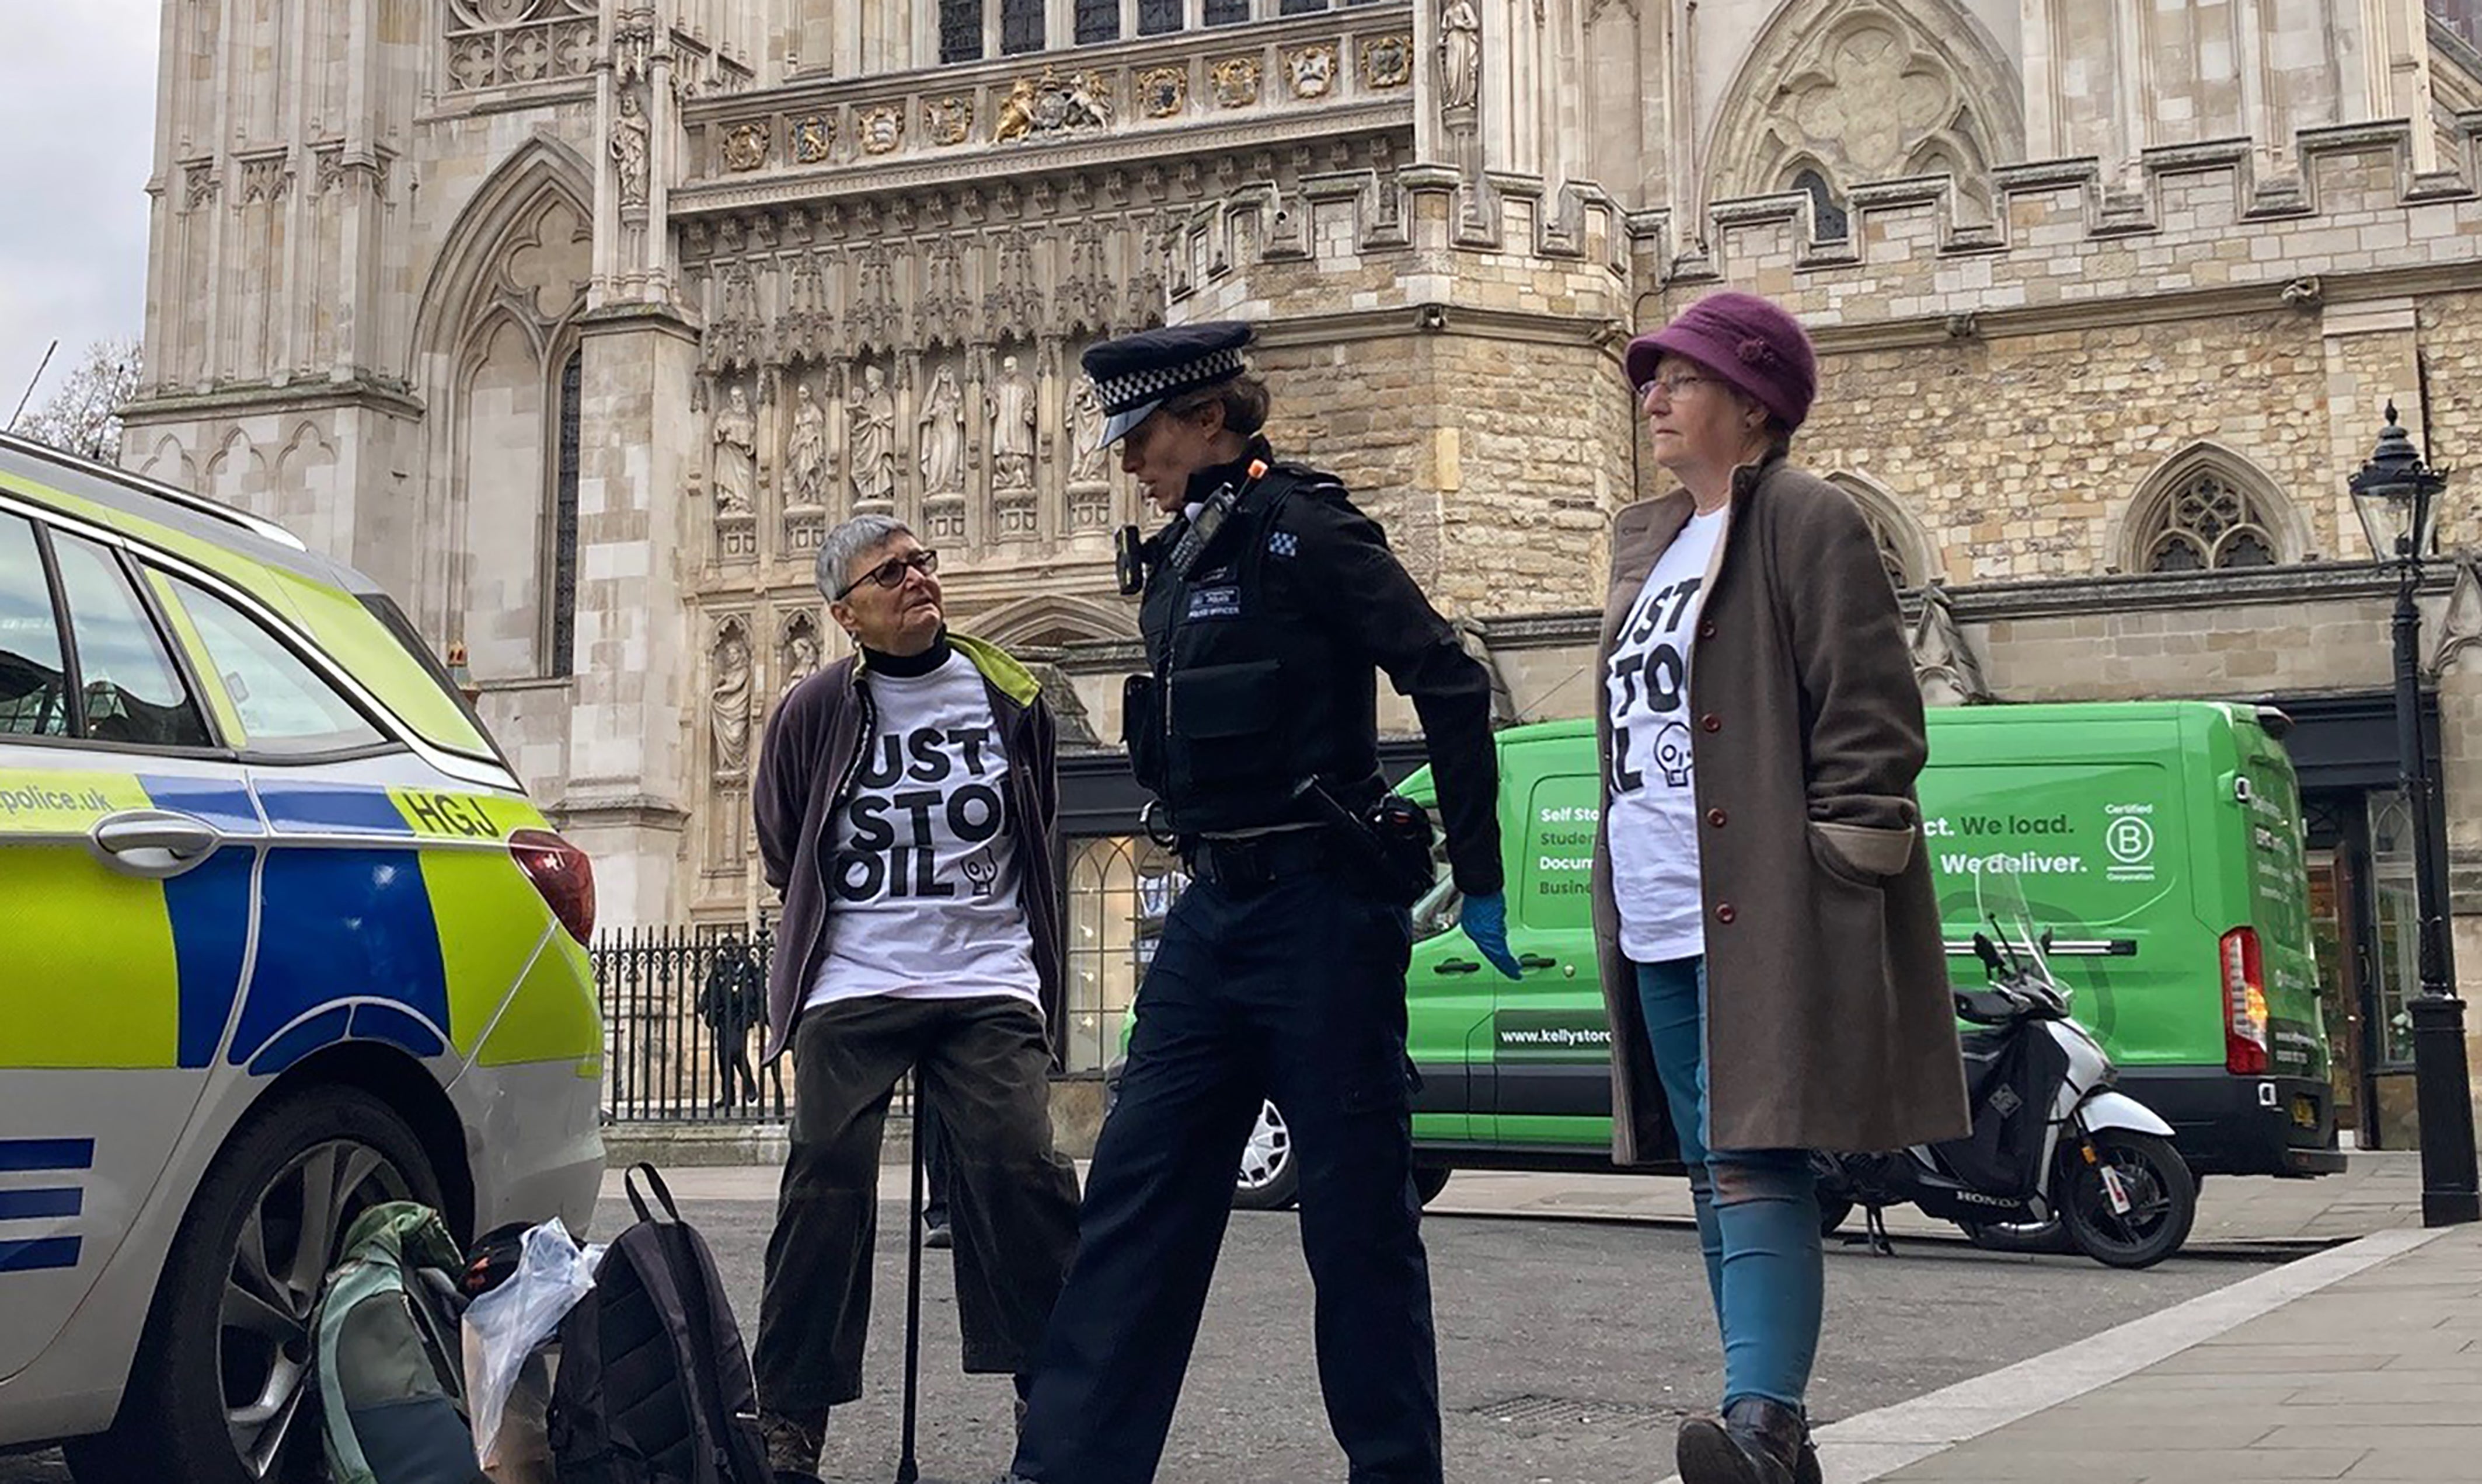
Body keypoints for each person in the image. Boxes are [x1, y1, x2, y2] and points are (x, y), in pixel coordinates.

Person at [1003, 322, 1521, 1484]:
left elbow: (1446, 676)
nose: (1128, 460)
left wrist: (1476, 873)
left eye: (1140, 436)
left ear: (1205, 419)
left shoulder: (1306, 529)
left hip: (1319, 913)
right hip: (1212, 911)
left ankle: (1394, 1469)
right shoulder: (1184, 554)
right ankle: (1068, 1467)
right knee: (1134, 1194)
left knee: (1353, 1223)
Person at [1595, 292, 1968, 1484]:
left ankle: (1756, 1418)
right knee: (1714, 1166)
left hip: (1761, 902)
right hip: (1656, 906)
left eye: (1681, 378)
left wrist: (1834, 862)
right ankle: (1778, 1438)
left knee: (1757, 1158)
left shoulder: (1805, 518)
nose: (1652, 395)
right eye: (1647, 377)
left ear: (1750, 402)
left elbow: (1869, 713)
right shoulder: (1648, 539)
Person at [750, 514, 1083, 1482]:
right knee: (824, 1172)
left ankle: (1054, 1400)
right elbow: (783, 840)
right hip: (855, 974)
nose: (916, 579)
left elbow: (1039, 821)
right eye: (888, 573)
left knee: (1018, 1165)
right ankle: (789, 1419)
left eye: (923, 562)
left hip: (985, 973)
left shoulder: (1007, 692)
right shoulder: (811, 707)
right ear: (844, 612)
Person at [699, 933, 762, 1112]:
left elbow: (759, 991)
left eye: (731, 948)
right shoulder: (719, 969)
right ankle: (728, 1096)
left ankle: (749, 1084)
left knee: (736, 1050)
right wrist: (703, 1007)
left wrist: (756, 1013)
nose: (728, 952)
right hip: (722, 1017)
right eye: (726, 948)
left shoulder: (748, 967)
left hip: (739, 1016)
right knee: (723, 1057)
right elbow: (709, 990)